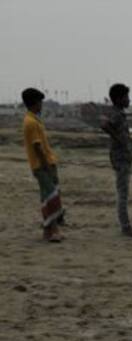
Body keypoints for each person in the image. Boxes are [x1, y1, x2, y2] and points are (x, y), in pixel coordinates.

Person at [100, 83, 132, 237]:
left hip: (122, 156)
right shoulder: (117, 115)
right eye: (126, 97)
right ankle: (125, 226)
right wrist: (117, 138)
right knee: (123, 192)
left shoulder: (118, 113)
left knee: (123, 191)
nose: (129, 100)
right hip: (121, 157)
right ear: (119, 99)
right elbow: (105, 125)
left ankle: (125, 225)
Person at [21, 88, 64, 242]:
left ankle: (48, 231)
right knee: (52, 197)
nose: (41, 105)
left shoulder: (34, 120)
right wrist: (46, 166)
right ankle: (53, 230)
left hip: (46, 163)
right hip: (41, 166)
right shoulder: (31, 122)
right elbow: (37, 147)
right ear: (34, 103)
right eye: (40, 102)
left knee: (47, 197)